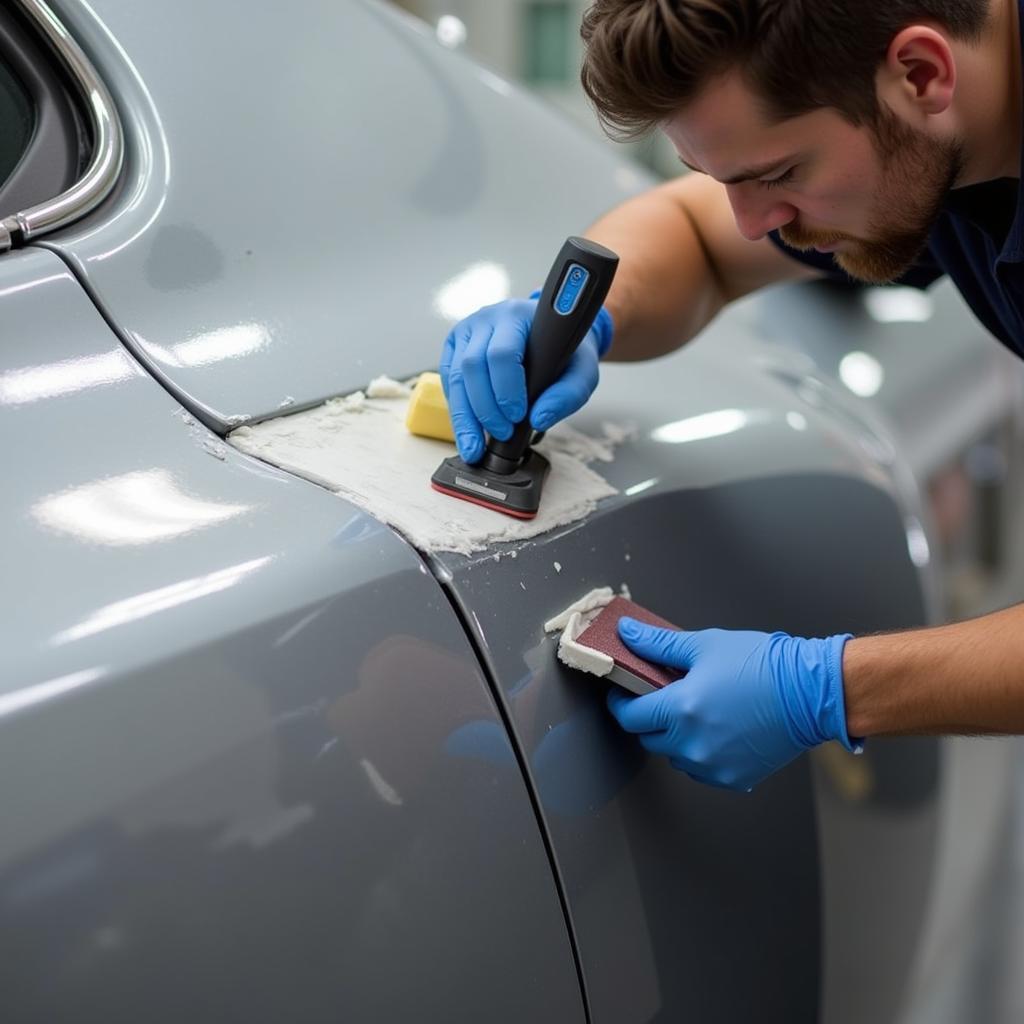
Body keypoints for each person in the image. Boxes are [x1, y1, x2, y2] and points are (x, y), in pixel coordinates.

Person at [438, 0, 1024, 792]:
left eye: (779, 175)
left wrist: (827, 688)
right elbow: (695, 234)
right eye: (728, 179)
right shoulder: (934, 124)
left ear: (922, 74)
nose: (755, 224)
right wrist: (590, 320)